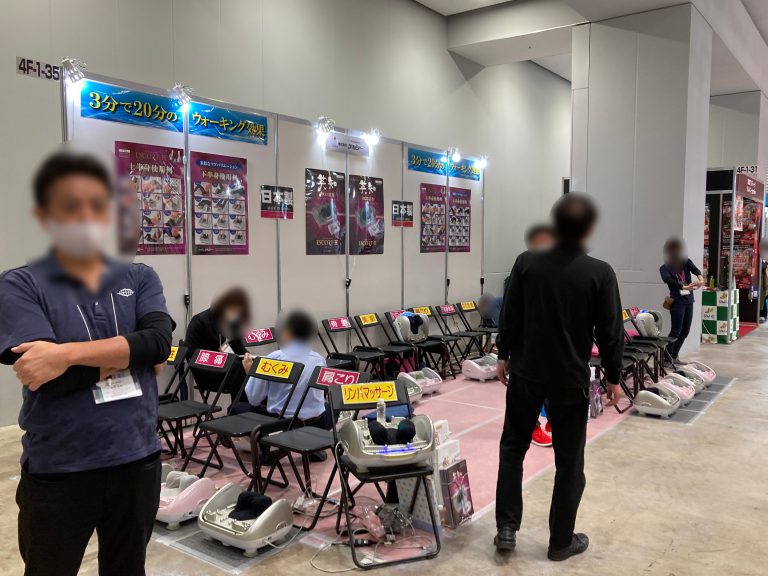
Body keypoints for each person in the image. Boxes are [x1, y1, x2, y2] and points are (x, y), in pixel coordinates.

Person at [0, 151, 173, 576]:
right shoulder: (20, 284)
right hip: (60, 469)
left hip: (137, 460)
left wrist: (65, 354)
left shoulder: (140, 277)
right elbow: (47, 381)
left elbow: (158, 343)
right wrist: (130, 356)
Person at [493, 194, 624, 561]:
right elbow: (611, 331)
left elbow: (510, 315)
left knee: (513, 448)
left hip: (526, 372)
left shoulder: (526, 263)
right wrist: (614, 377)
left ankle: (506, 529)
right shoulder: (600, 273)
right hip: (570, 378)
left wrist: (503, 354)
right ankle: (560, 542)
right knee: (569, 462)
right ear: (588, 229)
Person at [244, 309, 330, 460]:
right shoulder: (319, 359)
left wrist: (251, 372)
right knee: (329, 408)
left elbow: (254, 399)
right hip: (318, 424)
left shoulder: (274, 358)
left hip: (282, 426)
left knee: (236, 409)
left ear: (287, 332)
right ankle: (311, 445)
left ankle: (272, 449)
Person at [185, 287, 251, 402]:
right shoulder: (199, 321)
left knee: (251, 364)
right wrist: (216, 356)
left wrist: (248, 356)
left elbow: (238, 346)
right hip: (207, 371)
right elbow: (190, 351)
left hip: (229, 367)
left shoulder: (232, 322)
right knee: (238, 367)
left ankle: (252, 407)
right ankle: (239, 408)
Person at [659, 237, 704, 364]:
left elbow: (695, 270)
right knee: (676, 331)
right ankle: (666, 358)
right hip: (676, 301)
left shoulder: (686, 262)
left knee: (685, 331)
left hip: (688, 300)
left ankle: (674, 356)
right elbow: (669, 280)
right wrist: (684, 287)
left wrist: (701, 280)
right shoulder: (664, 268)